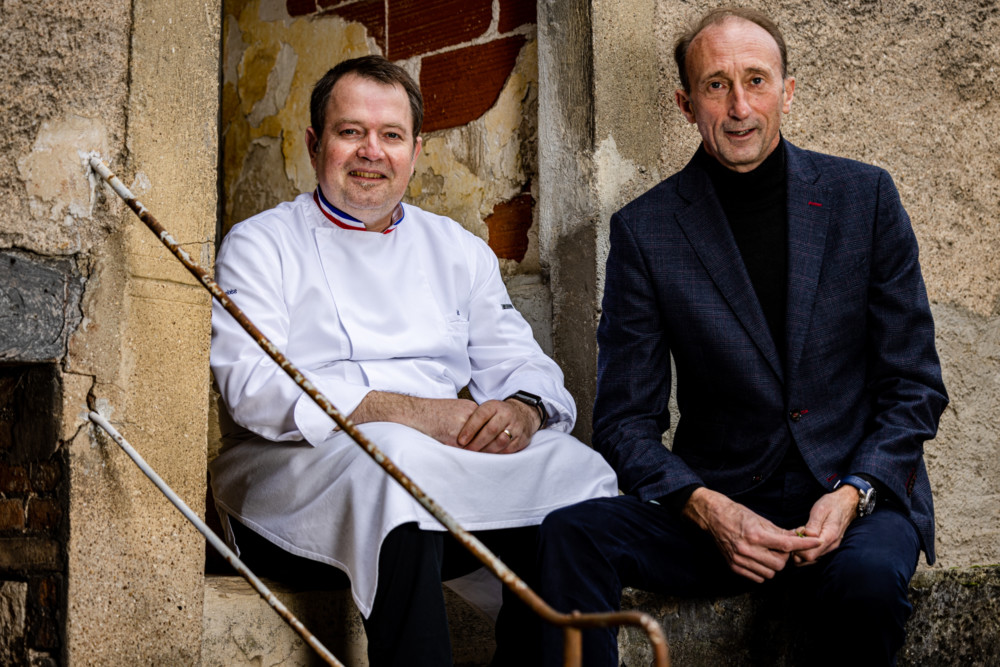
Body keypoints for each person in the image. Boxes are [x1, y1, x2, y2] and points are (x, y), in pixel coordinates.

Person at [538, 7, 948, 665]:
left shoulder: (864, 199)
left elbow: (915, 387)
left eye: (756, 80)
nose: (738, 106)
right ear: (685, 102)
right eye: (715, 84)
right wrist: (706, 510)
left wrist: (853, 493)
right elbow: (624, 424)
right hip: (720, 508)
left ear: (787, 91)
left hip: (850, 504)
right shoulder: (648, 231)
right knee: (569, 534)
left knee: (868, 584)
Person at [209, 55, 617, 667]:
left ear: (416, 150)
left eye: (391, 136)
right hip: (303, 471)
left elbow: (524, 366)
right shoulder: (260, 243)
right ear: (315, 143)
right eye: (351, 132)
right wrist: (418, 415)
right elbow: (252, 388)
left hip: (448, 463)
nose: (371, 152)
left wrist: (521, 411)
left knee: (575, 470)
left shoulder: (457, 249)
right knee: (394, 465)